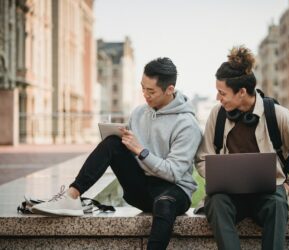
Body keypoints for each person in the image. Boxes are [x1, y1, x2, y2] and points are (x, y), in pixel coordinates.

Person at [33, 57, 202, 250]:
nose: (145, 95)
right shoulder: (139, 113)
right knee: (112, 143)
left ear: (169, 89)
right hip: (143, 189)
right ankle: (71, 197)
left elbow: (174, 173)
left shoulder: (187, 124)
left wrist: (141, 151)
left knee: (164, 204)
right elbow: (128, 152)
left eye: (151, 91)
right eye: (143, 88)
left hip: (174, 192)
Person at [195, 46, 289, 250]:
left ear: (242, 92)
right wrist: (217, 177)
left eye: (222, 93)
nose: (218, 98)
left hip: (269, 195)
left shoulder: (279, 115)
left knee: (277, 204)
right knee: (215, 202)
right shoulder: (217, 115)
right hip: (230, 197)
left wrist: (288, 185)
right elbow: (202, 158)